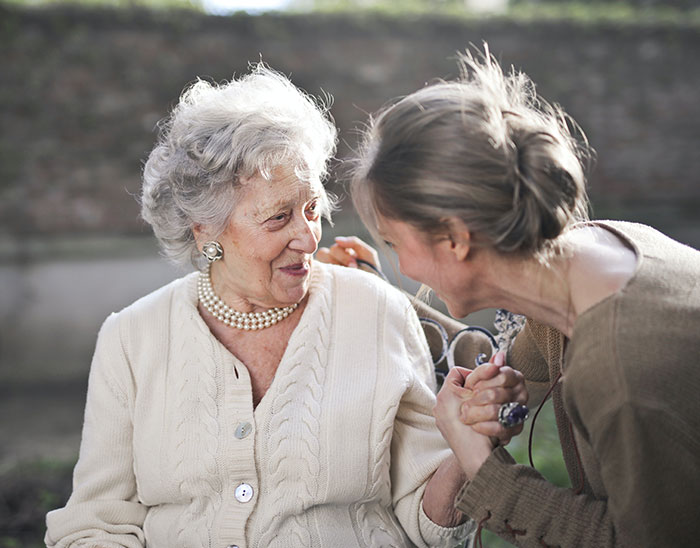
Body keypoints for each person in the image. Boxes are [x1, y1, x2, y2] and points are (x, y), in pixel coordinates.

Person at [44, 64, 530, 548]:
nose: (309, 237)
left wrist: (467, 440)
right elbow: (96, 523)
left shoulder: (376, 310)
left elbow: (428, 526)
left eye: (312, 209)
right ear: (205, 229)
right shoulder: (131, 338)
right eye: (278, 218)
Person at [327, 48, 700, 547]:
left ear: (455, 239)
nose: (404, 267)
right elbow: (500, 362)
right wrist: (374, 292)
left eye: (395, 244)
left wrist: (483, 467)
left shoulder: (620, 369)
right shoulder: (593, 254)